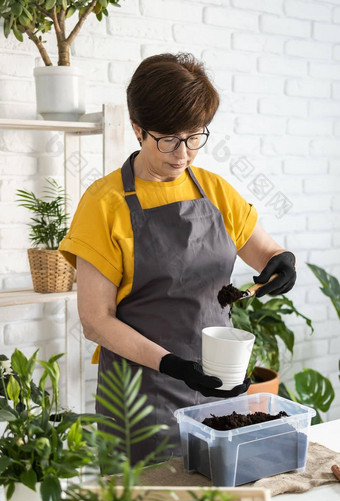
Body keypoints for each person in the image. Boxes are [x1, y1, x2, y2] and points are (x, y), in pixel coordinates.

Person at [58, 53, 297, 464]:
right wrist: (173, 365)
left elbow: (266, 252)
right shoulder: (103, 203)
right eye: (168, 139)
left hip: (216, 389)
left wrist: (281, 262)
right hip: (139, 398)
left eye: (195, 137)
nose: (183, 153)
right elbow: (96, 322)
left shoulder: (214, 190)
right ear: (137, 128)